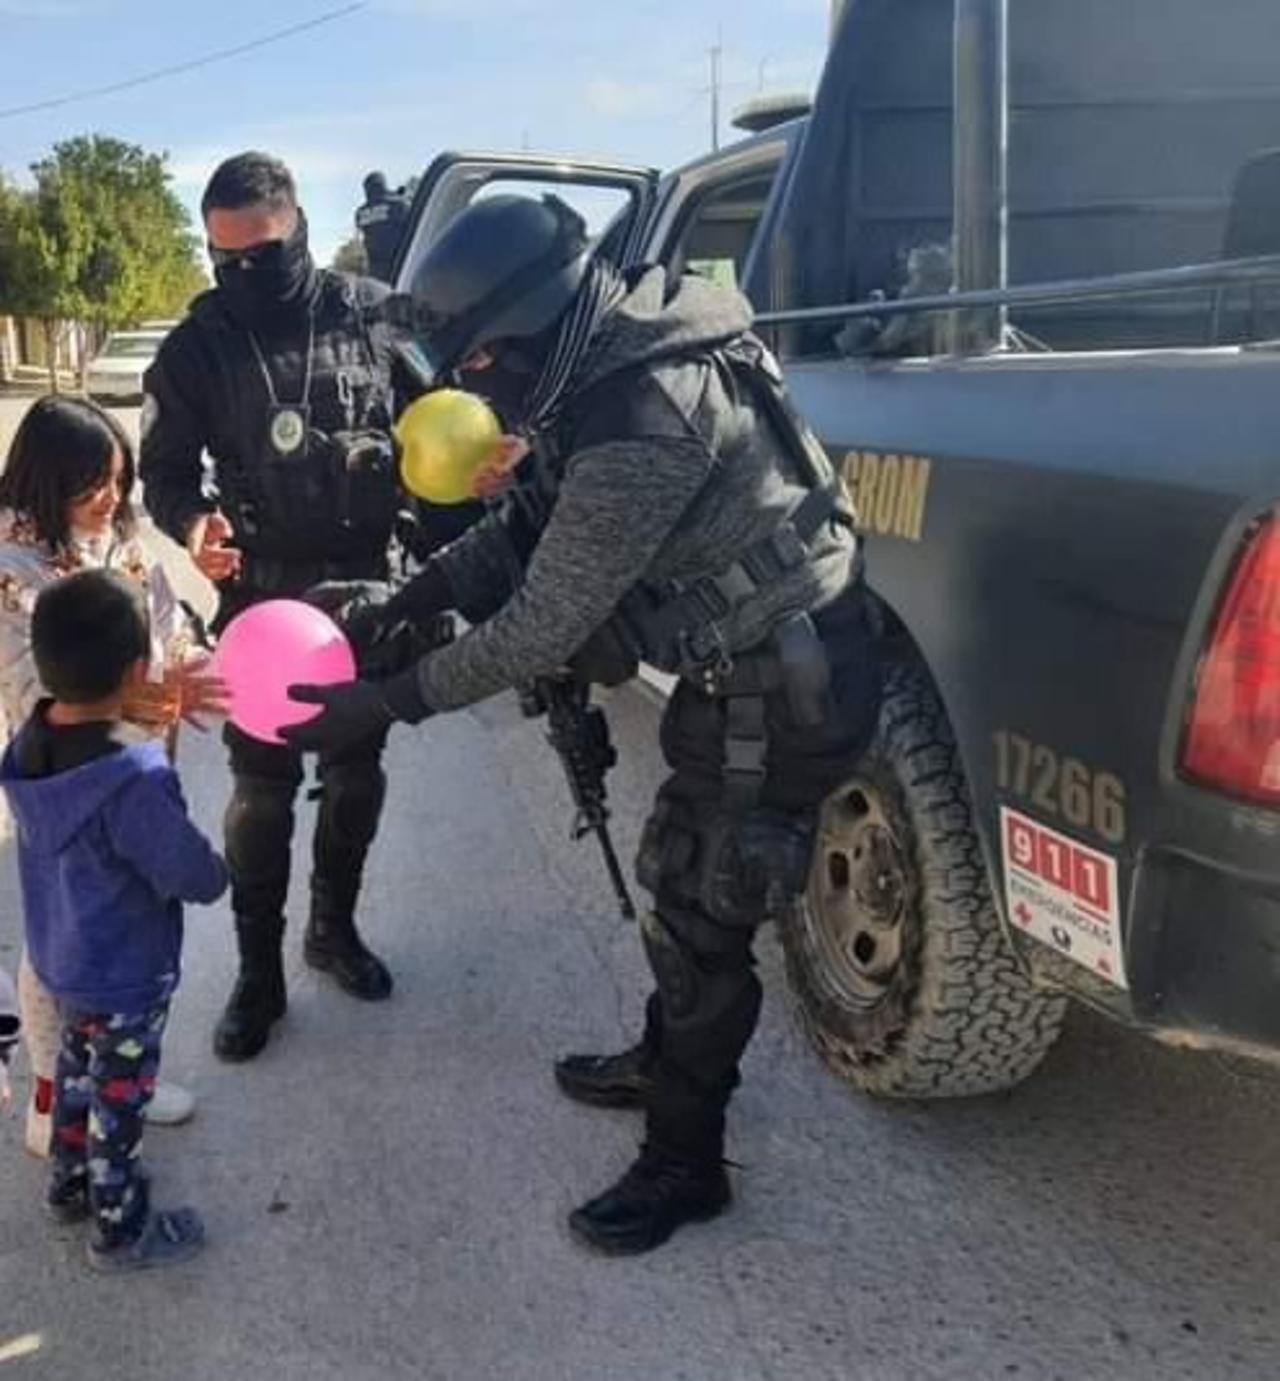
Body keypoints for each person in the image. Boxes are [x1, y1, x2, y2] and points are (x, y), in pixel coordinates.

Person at [284, 194, 882, 1254]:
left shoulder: (642, 409)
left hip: (786, 682)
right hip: (737, 666)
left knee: (710, 906)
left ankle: (684, 1164)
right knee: (680, 876)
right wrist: (401, 602)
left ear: (530, 325)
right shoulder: (592, 358)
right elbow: (521, 527)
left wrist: (381, 702)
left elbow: (537, 624)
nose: (473, 384)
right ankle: (667, 1060)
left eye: (477, 363)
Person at [140, 151, 432, 1065]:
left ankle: (332, 931)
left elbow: (440, 429)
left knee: (355, 776)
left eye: (260, 255)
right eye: (223, 259)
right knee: (260, 798)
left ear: (296, 228)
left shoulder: (376, 315)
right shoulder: (198, 344)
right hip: (259, 597)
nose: (242, 275)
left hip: (364, 594)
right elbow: (163, 474)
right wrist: (194, 524)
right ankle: (258, 974)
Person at [0, 396, 222, 1158]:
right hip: (67, 782)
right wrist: (134, 696)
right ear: (45, 478)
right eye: (93, 482)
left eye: (118, 481)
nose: (110, 499)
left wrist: (187, 663)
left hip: (140, 765)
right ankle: (49, 1093)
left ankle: (127, 1076)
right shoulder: (11, 565)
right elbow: (30, 687)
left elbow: (167, 624)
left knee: (131, 930)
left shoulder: (121, 537)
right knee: (58, 941)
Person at [1, 569, 228, 1272]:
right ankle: (120, 1227)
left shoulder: (27, 748)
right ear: (137, 669)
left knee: (74, 1073)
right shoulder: (131, 779)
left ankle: (67, 1185)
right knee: (118, 1103)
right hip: (127, 974)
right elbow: (189, 871)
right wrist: (221, 871)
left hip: (63, 956)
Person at [355, 171, 410, 283]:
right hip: (401, 262)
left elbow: (362, 225)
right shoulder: (400, 205)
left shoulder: (360, 213)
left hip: (376, 269)